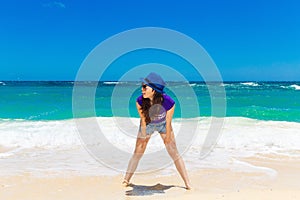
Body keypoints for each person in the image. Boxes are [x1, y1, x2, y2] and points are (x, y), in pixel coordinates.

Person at [122, 72, 192, 190]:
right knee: (138, 152)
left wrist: (168, 138)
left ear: (154, 90)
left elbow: (168, 122)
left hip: (163, 124)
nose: (142, 89)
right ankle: (126, 180)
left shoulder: (168, 102)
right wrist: (143, 137)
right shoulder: (139, 101)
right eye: (142, 86)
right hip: (148, 123)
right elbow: (144, 120)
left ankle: (187, 183)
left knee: (173, 152)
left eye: (145, 87)